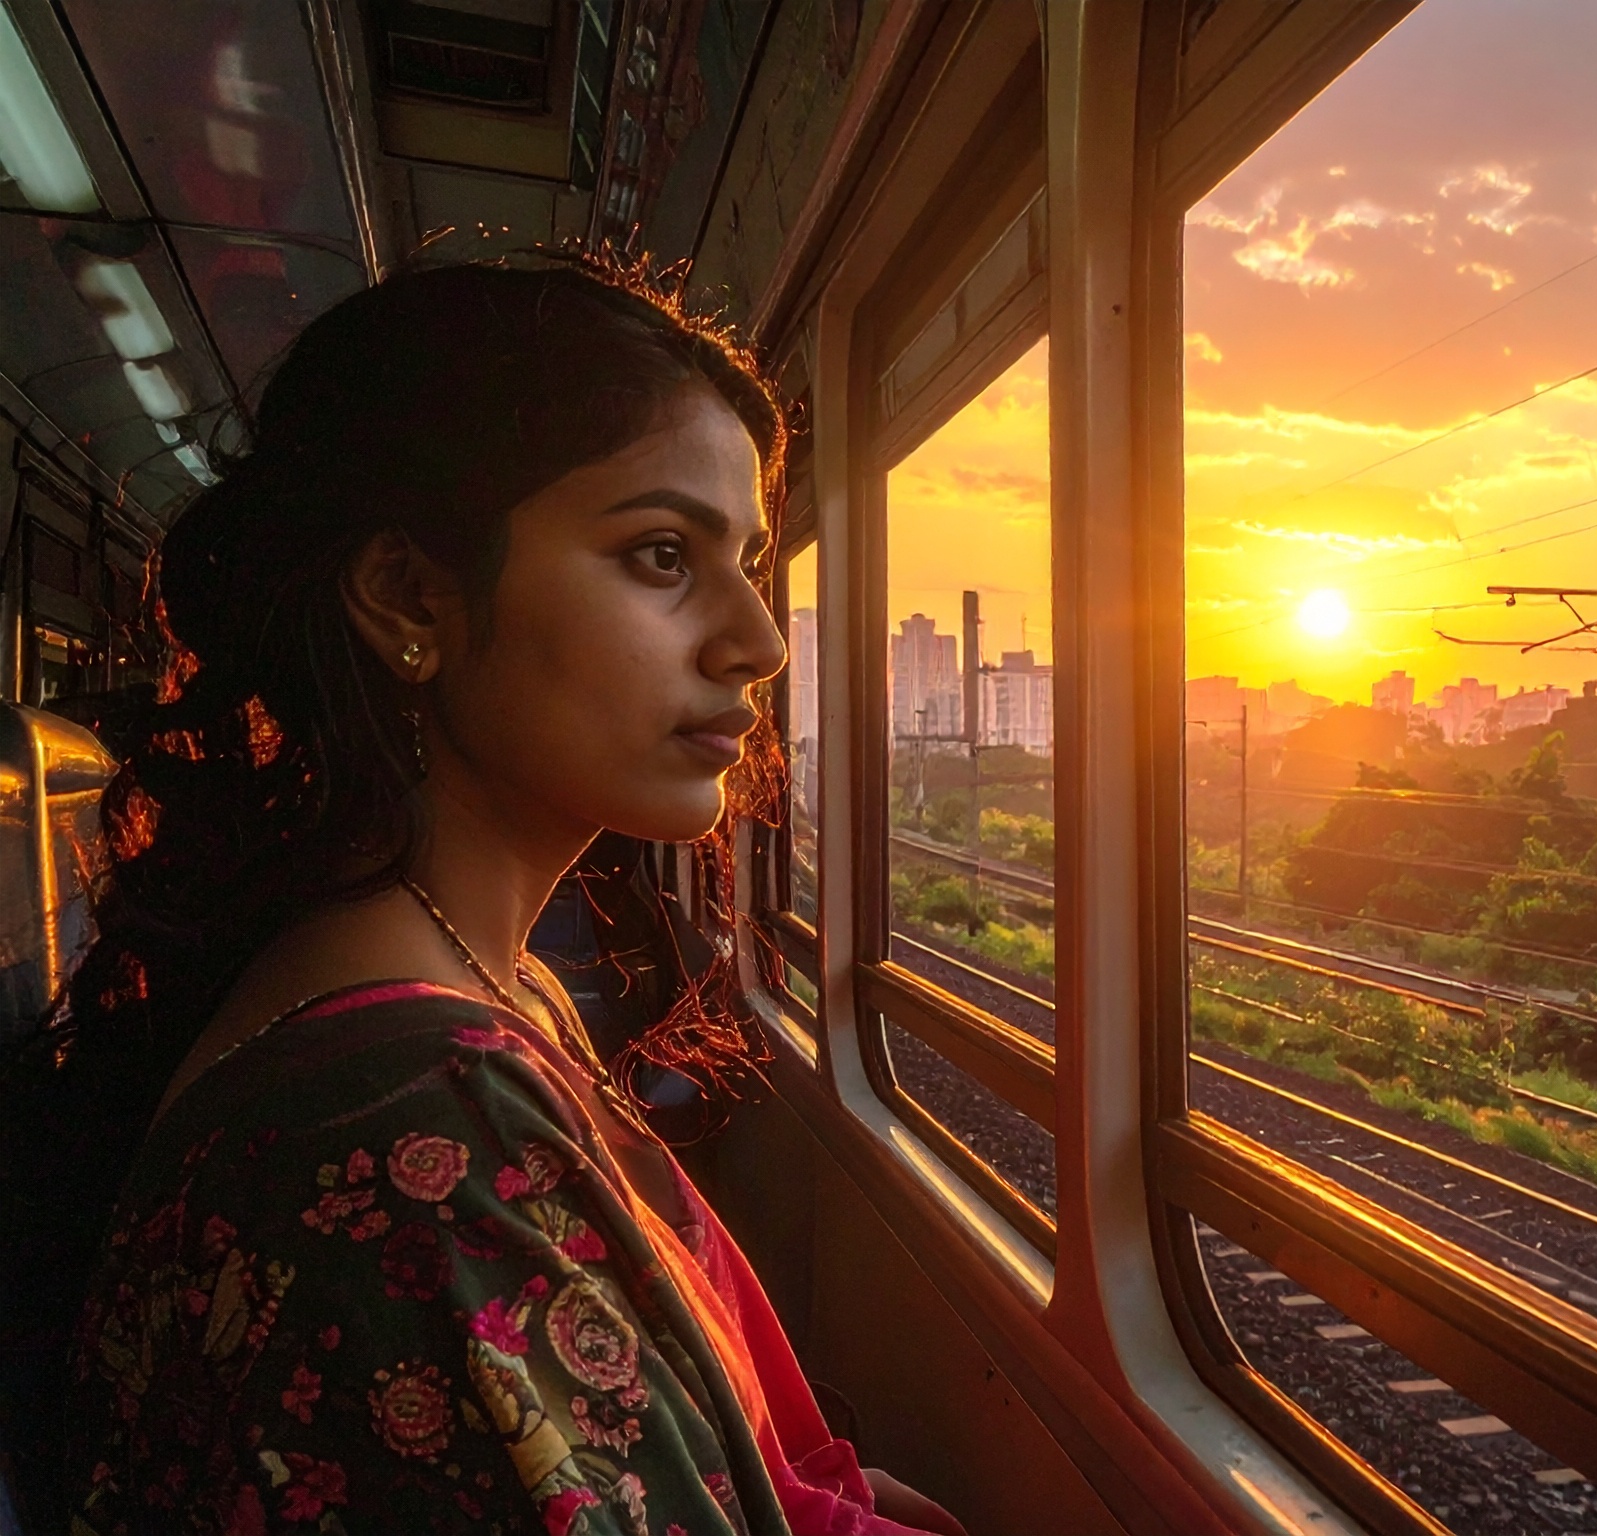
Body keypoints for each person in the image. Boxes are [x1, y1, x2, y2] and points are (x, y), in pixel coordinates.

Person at [0, 260, 967, 1536]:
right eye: (662, 554)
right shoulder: (414, 1139)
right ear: (411, 598)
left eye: (745, 559)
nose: (759, 640)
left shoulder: (496, 983)